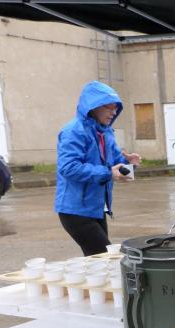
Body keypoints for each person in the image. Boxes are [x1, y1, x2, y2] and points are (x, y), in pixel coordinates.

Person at [55, 80, 141, 256]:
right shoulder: (74, 131)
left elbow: (116, 164)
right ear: (94, 106)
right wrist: (108, 173)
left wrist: (130, 165)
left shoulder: (106, 132)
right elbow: (69, 168)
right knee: (105, 258)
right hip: (75, 210)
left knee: (97, 261)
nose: (114, 112)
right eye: (109, 107)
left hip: (97, 208)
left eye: (116, 108)